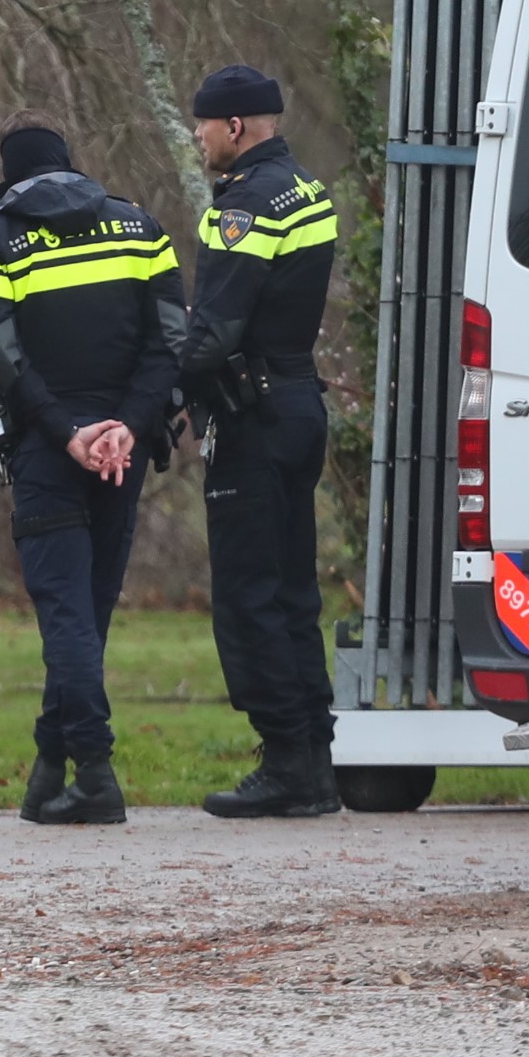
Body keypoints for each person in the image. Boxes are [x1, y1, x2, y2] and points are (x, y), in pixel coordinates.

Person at [0, 115, 183, 825]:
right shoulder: (141, 229)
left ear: (9, 173)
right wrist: (129, 425)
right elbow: (171, 339)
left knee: (65, 614)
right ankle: (48, 768)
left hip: (48, 448)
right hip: (126, 446)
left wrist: (65, 433)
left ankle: (93, 771)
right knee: (88, 612)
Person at [176, 65, 343, 817]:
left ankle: (284, 762)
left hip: (253, 416)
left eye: (204, 125)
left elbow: (212, 332)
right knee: (292, 590)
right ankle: (313, 757)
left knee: (248, 596)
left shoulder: (242, 207)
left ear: (235, 127)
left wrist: (153, 391)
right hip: (298, 402)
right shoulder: (305, 189)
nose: (200, 138)